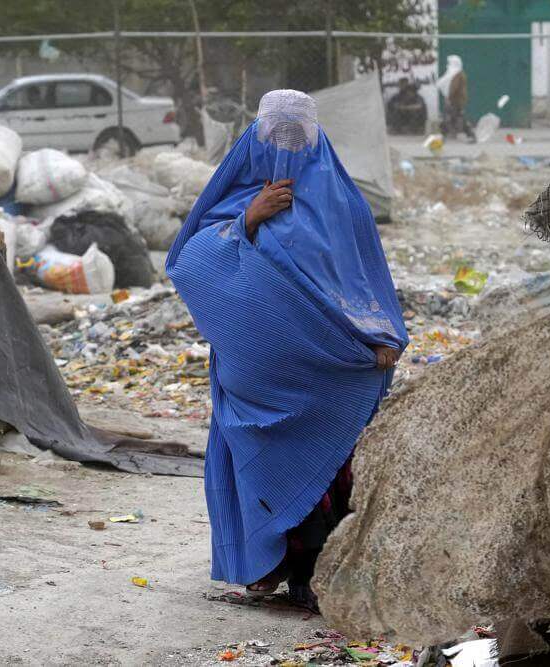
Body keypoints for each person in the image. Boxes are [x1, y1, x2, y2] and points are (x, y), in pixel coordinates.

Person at [166, 89, 408, 608]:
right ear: (256, 137)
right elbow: (190, 263)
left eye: (296, 134)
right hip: (256, 376)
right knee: (259, 461)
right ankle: (268, 565)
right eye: (276, 134)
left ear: (315, 137)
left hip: (327, 368)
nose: (285, 145)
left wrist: (384, 334)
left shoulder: (341, 203)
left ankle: (321, 577)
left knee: (330, 463)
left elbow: (365, 280)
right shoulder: (234, 199)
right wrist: (247, 221)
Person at [437, 55, 476, 142]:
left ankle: (443, 135)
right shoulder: (457, 73)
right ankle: (470, 134)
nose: (448, 65)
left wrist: (448, 97)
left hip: (456, 100)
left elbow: (453, 88)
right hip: (457, 100)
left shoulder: (457, 74)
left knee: (450, 117)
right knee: (455, 117)